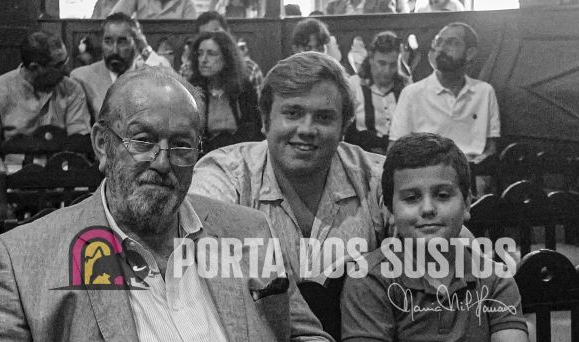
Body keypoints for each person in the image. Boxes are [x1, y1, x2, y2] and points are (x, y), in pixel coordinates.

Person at [0, 66, 344, 342]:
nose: (162, 162)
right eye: (143, 140)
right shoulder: (24, 257)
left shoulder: (247, 230)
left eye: (181, 145)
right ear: (102, 144)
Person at [332, 133, 533, 342]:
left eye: (442, 195)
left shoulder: (494, 277)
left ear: (467, 203)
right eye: (411, 198)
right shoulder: (369, 277)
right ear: (388, 208)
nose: (427, 209)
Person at [190, 52, 390, 281]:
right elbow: (194, 246)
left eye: (324, 117)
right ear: (265, 120)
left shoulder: (375, 177)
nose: (306, 129)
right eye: (293, 113)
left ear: (343, 128)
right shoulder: (227, 173)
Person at [0, 31, 92, 240]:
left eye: (65, 61)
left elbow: (79, 139)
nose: (66, 70)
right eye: (59, 65)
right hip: (11, 169)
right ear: (34, 67)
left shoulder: (72, 90)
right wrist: (3, 178)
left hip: (61, 167)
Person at [389, 23, 500, 193]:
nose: (441, 48)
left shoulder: (484, 92)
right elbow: (395, 149)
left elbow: (492, 148)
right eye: (439, 42)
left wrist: (469, 167)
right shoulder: (412, 94)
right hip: (424, 178)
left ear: (470, 53)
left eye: (452, 43)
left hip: (471, 177)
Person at [70, 13, 172, 123]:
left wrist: (145, 48)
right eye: (108, 42)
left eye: (122, 42)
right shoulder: (83, 77)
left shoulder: (148, 74)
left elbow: (171, 79)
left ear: (136, 43)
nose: (114, 50)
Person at [189, 31, 262, 154]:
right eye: (200, 54)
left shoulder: (243, 88)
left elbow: (254, 131)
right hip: (205, 157)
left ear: (227, 58)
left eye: (211, 54)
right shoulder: (193, 89)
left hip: (240, 154)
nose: (203, 60)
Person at [345, 31, 409, 154]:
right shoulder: (353, 86)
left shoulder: (406, 88)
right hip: (363, 155)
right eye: (382, 63)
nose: (387, 70)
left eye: (393, 65)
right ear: (371, 59)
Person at [194, 11, 264, 98]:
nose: (211, 39)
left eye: (216, 33)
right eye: (205, 35)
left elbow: (257, 105)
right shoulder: (188, 69)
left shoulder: (250, 69)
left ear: (227, 32)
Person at [109, 0, 197, 19]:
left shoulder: (186, 3)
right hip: (142, 54)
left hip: (174, 56)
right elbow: (113, 20)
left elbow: (192, 36)